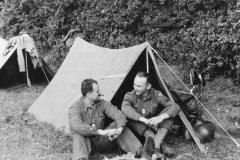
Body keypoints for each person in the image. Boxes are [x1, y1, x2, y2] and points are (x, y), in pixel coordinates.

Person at [68, 78, 157, 160]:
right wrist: (101, 132)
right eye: (97, 91)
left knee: (117, 125)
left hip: (101, 141)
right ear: (89, 94)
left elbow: (119, 115)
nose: (100, 92)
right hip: (85, 145)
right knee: (78, 134)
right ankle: (81, 158)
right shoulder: (75, 108)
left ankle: (141, 152)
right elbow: (77, 126)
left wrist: (119, 129)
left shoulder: (102, 103)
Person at [122, 72, 181, 158]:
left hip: (154, 125)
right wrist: (143, 120)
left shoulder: (156, 94)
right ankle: (160, 147)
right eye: (134, 85)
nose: (135, 88)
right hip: (140, 127)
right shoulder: (130, 95)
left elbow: (175, 107)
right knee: (131, 117)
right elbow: (125, 108)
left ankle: (155, 148)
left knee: (168, 114)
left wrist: (161, 117)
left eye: (139, 86)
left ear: (148, 86)